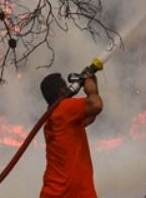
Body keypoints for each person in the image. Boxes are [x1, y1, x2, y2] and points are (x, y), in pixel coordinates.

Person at [39, 68, 103, 198]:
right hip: (74, 193)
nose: (68, 88)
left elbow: (90, 116)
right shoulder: (64, 108)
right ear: (60, 90)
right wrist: (89, 85)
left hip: (52, 193)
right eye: (65, 86)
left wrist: (93, 84)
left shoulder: (52, 117)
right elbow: (96, 105)